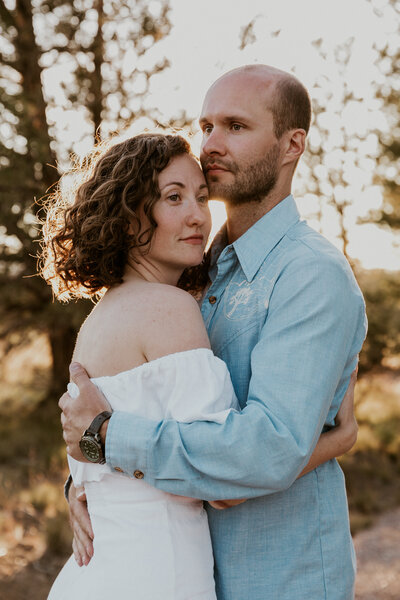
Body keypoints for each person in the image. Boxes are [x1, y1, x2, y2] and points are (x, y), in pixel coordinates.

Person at [59, 65, 367, 600]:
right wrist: (87, 481)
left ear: (292, 144)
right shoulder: (195, 274)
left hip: (275, 579)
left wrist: (107, 441)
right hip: (178, 572)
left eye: (235, 126)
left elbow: (270, 450)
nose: (211, 144)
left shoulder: (309, 274)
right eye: (206, 126)